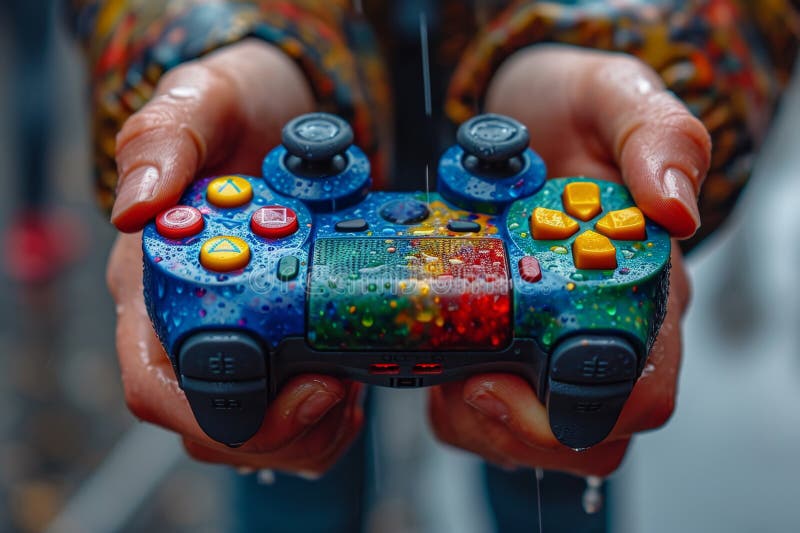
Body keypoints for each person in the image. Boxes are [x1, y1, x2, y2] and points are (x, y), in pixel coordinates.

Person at [68, 0, 798, 531]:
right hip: (323, 71)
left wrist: (616, 42)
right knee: (283, 442)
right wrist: (230, 49)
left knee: (546, 444)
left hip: (515, 73)